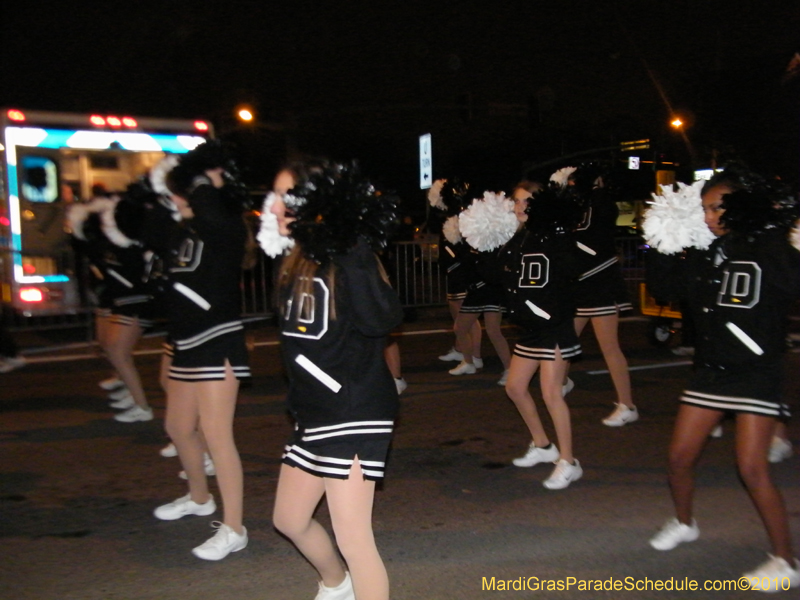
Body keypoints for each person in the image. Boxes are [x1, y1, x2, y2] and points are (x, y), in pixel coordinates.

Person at [645, 167, 800, 590]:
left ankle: (785, 559)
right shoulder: (704, 252)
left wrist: (780, 232)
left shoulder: (771, 248)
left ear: (742, 205)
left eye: (718, 206)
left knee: (751, 469)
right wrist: (663, 239)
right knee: (678, 459)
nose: (710, 216)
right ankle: (684, 523)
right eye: (705, 208)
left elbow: (789, 282)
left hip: (756, 373)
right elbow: (665, 287)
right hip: (712, 372)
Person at [260, 160, 403, 600]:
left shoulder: (348, 254)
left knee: (354, 537)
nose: (277, 205)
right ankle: (335, 584)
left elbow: (384, 319)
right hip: (315, 413)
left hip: (355, 410)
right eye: (275, 194)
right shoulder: (293, 263)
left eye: (289, 195)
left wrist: (351, 246)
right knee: (289, 519)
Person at [148, 143, 251, 561]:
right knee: (178, 426)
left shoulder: (224, 227)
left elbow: (211, 208)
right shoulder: (182, 229)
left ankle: (234, 527)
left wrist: (198, 179)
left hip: (217, 338)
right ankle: (198, 497)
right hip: (183, 341)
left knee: (216, 435)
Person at [501, 175, 585, 489]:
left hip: (554, 324)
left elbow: (568, 274)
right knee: (515, 387)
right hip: (531, 327)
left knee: (551, 392)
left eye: (527, 201)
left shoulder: (554, 235)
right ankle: (542, 445)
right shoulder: (519, 237)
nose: (520, 206)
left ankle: (569, 461)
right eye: (517, 201)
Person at [66, 192, 155, 422]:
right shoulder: (107, 242)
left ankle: (142, 406)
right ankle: (132, 394)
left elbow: (134, 268)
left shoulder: (131, 243)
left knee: (117, 350)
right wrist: (77, 228)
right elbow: (85, 249)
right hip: (121, 298)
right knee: (110, 347)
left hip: (137, 299)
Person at [567, 165, 637, 426]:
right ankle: (560, 383)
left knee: (609, 346)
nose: (573, 184)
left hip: (600, 282)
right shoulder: (580, 202)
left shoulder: (602, 201)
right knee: (564, 340)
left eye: (577, 180)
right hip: (580, 283)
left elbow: (593, 237)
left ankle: (627, 405)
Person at [452, 189, 514, 383]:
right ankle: (469, 362)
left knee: (479, 329)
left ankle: (509, 369)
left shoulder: (498, 241)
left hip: (487, 289)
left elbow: (492, 268)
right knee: (465, 328)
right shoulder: (476, 240)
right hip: (481, 289)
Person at [428, 179, 484, 367]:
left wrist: (457, 263)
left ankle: (474, 355)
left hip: (463, 271)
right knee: (457, 311)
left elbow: (467, 246)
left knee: (467, 314)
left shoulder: (464, 216)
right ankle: (461, 349)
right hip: (453, 272)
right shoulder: (450, 216)